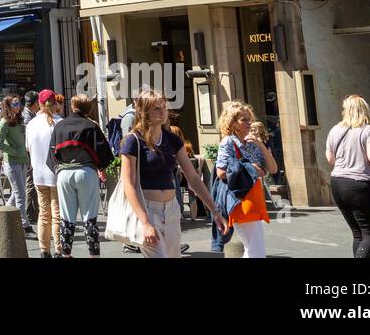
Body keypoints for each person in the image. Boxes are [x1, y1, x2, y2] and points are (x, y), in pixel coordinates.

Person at [120, 88, 224, 258]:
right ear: (144, 111)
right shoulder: (133, 141)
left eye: (164, 107)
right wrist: (145, 222)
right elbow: (128, 184)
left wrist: (214, 210)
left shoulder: (172, 139)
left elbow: (193, 178)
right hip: (147, 209)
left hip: (172, 210)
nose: (163, 112)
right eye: (156, 108)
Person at [52, 93, 114, 257]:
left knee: (67, 216)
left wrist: (59, 169)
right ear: (88, 109)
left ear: (72, 106)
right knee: (89, 216)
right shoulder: (91, 126)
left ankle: (66, 254)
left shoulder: (59, 126)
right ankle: (94, 254)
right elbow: (105, 153)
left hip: (64, 173)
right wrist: (100, 167)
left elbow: (51, 155)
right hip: (86, 172)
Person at [325, 94, 370, 258]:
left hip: (337, 183)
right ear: (364, 110)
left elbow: (330, 159)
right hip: (360, 184)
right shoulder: (369, 130)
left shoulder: (335, 130)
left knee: (358, 234)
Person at [214, 102, 278, 258]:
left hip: (255, 197)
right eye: (244, 120)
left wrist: (260, 145)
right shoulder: (228, 142)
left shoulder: (252, 143)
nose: (249, 122)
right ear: (232, 122)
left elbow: (273, 169)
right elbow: (221, 172)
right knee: (256, 250)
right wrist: (252, 169)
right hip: (241, 199)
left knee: (253, 248)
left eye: (249, 119)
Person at [26, 89, 61, 256]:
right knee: (57, 214)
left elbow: (28, 148)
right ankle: (59, 250)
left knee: (44, 213)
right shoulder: (59, 123)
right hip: (56, 173)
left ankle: (44, 250)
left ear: (39, 103)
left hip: (38, 174)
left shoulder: (31, 124)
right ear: (54, 104)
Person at [0, 95, 31, 232]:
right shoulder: (5, 122)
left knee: (17, 193)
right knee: (20, 194)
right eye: (14, 104)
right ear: (8, 106)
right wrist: (14, 152)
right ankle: (24, 225)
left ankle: (4, 216)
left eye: (19, 103)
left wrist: (26, 157)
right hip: (12, 162)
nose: (18, 106)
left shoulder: (18, 120)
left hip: (21, 161)